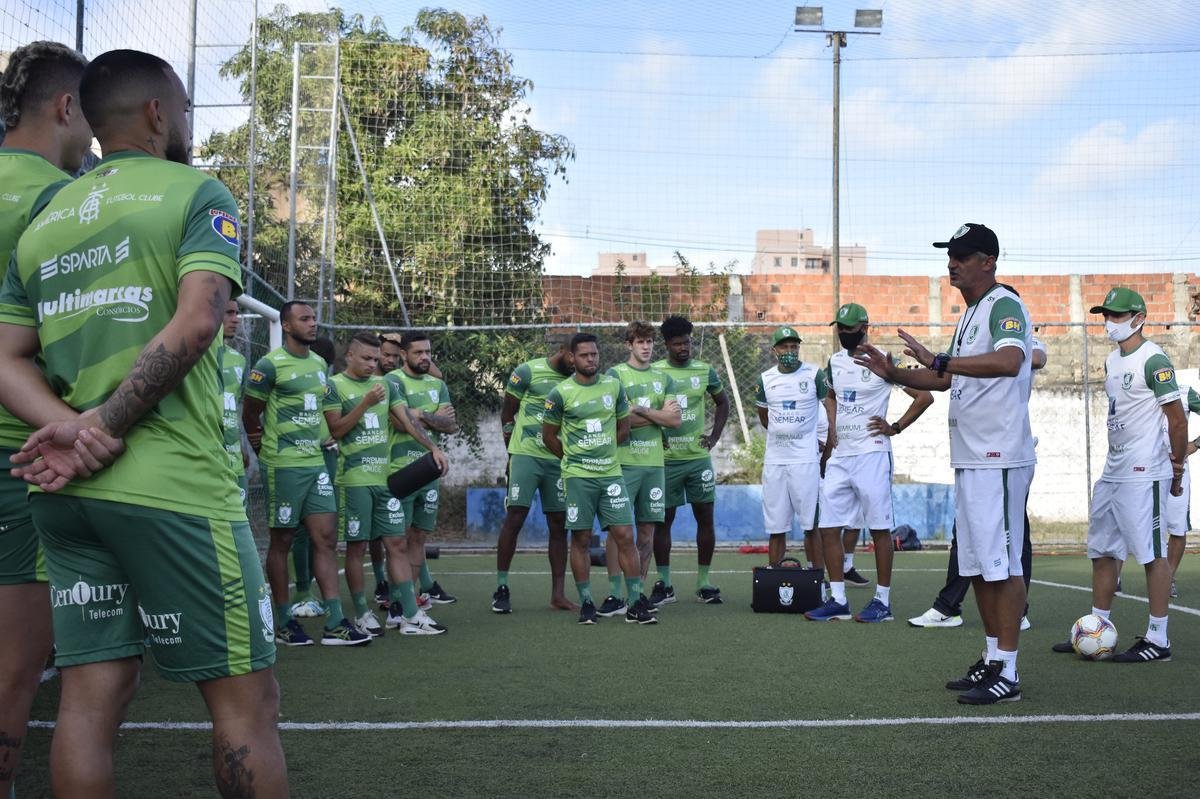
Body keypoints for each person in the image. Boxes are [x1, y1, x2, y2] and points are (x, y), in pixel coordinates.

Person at [0, 48, 288, 795]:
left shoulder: (45, 216)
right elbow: (198, 325)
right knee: (246, 707)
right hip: (174, 489)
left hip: (67, 502)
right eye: (186, 109)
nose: (186, 123)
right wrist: (104, 424)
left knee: (90, 701)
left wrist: (72, 429)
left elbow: (3, 357)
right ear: (159, 114)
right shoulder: (196, 192)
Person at [856, 223, 1034, 705]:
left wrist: (940, 360)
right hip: (973, 457)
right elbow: (947, 378)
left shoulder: (1004, 305)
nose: (951, 262)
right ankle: (994, 657)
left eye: (962, 255)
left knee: (1005, 566)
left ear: (988, 261)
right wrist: (893, 372)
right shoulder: (971, 314)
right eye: (949, 255)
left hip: (999, 457)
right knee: (978, 566)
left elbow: (1010, 361)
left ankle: (1010, 673)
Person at [0, 39, 105, 798]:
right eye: (91, 124)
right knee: (15, 673)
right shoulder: (62, 198)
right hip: (23, 457)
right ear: (67, 107)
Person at [1049, 287, 1186, 663]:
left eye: (1117, 315)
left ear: (1139, 318)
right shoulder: (1112, 360)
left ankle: (1158, 639)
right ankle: (1098, 626)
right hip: (1113, 469)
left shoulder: (1153, 358)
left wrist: (1176, 465)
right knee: (1103, 550)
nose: (1109, 322)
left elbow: (1176, 418)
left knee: (1151, 554)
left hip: (1145, 470)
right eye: (1106, 315)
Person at [243, 301, 370, 646]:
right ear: (285, 325)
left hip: (316, 465)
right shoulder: (269, 366)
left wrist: (327, 435)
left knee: (326, 538)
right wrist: (262, 451)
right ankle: (283, 620)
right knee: (282, 540)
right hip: (283, 467)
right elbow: (250, 413)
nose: (313, 324)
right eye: (305, 319)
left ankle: (334, 622)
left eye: (314, 318)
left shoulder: (318, 365)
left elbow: (325, 415)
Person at [909, 335, 1047, 629]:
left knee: (1013, 537)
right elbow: (944, 375)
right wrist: (896, 373)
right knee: (967, 532)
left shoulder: (1019, 335)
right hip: (974, 450)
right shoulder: (971, 340)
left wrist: (993, 355)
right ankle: (949, 606)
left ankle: (1015, 611)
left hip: (1005, 454)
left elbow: (1035, 358)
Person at [807, 304, 933, 623]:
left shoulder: (882, 362)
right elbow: (832, 396)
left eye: (850, 328)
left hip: (873, 454)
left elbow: (924, 397)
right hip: (841, 455)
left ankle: (883, 602)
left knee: (879, 529)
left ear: (865, 327)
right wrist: (832, 428)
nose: (844, 334)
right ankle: (838, 599)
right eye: (840, 328)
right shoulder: (834, 362)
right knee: (828, 528)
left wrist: (895, 427)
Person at [325, 333, 449, 635]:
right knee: (357, 548)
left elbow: (407, 420)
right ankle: (362, 613)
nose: (372, 364)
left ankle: (408, 614)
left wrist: (431, 447)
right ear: (349, 357)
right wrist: (366, 403)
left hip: (385, 480)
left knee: (396, 543)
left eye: (375, 358)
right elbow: (336, 429)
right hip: (355, 480)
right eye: (366, 358)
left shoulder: (387, 386)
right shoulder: (334, 387)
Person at [542, 333, 655, 624]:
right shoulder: (561, 393)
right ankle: (588, 603)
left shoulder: (613, 386)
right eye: (584, 355)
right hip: (578, 477)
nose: (591, 359)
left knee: (625, 536)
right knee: (579, 538)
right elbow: (549, 437)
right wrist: (573, 460)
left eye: (594, 354)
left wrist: (604, 454)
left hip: (611, 474)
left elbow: (623, 428)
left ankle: (634, 603)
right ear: (572, 358)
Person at [598, 321, 681, 617]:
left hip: (654, 465)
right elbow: (619, 421)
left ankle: (637, 594)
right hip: (622, 463)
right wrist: (657, 416)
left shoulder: (663, 377)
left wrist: (642, 410)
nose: (646, 347)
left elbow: (675, 421)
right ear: (629, 345)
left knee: (647, 531)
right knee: (618, 531)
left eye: (649, 342)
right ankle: (613, 594)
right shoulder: (615, 376)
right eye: (640, 342)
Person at [492, 332, 577, 613]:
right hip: (526, 456)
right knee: (515, 517)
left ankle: (558, 595)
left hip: (557, 460)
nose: (579, 363)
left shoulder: (577, 381)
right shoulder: (526, 372)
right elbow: (507, 415)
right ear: (564, 351)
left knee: (558, 523)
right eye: (575, 357)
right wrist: (511, 453)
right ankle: (501, 588)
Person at [652, 315, 730, 605]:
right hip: (666, 461)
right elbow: (644, 409)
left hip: (698, 460)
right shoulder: (655, 372)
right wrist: (653, 436)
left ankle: (704, 582)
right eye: (677, 343)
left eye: (687, 342)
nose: (683, 348)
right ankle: (665, 584)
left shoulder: (705, 370)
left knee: (705, 518)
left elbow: (723, 403)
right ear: (666, 345)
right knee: (664, 521)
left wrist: (714, 437)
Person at [387, 330, 459, 609]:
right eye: (418, 352)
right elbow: (396, 422)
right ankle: (396, 601)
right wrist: (427, 418)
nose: (425, 357)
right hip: (400, 470)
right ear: (403, 355)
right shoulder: (393, 380)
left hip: (431, 471)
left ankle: (409, 601)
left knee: (419, 536)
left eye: (428, 352)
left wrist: (415, 414)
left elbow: (451, 425)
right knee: (399, 539)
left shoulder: (437, 384)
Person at [753, 326, 828, 571]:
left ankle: (818, 578)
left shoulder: (814, 375)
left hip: (805, 461)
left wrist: (820, 440)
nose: (790, 351)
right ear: (774, 350)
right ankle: (773, 578)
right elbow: (764, 417)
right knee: (776, 528)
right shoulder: (765, 379)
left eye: (794, 346)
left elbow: (830, 406)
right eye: (784, 346)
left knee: (810, 525)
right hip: (775, 461)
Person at [1165, 383, 1200, 598]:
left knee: (1177, 527)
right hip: (1143, 468)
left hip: (1177, 468)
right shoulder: (1141, 390)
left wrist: (1195, 444)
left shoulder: (1184, 391)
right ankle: (1116, 578)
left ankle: (1168, 578)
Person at [220, 300, 250, 510]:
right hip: (205, 452)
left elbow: (234, 409)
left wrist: (240, 444)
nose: (235, 319)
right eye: (228, 313)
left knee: (239, 520)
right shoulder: (192, 355)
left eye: (236, 313)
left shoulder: (238, 360)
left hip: (234, 456)